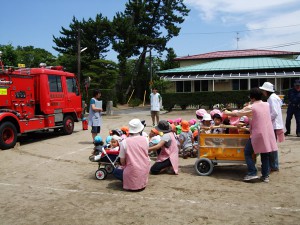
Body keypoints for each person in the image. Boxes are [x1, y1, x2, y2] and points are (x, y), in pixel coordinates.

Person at [224, 88, 278, 183]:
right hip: (268, 133)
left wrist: (227, 112)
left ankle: (252, 173)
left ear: (252, 97)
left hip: (258, 134)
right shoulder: (266, 104)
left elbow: (238, 113)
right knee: (265, 154)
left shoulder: (252, 107)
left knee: (248, 152)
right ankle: (265, 176)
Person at [113, 119, 150, 191]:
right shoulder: (146, 139)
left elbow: (122, 161)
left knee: (116, 171)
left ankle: (129, 182)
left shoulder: (124, 142)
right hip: (144, 168)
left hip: (132, 169)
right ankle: (139, 181)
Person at [260, 82, 285, 172]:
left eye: (263, 90)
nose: (263, 92)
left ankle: (274, 165)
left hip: (274, 125)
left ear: (266, 91)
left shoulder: (271, 98)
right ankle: (273, 165)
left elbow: (274, 112)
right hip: (275, 124)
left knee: (272, 146)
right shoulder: (275, 97)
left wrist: (266, 120)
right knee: (272, 145)